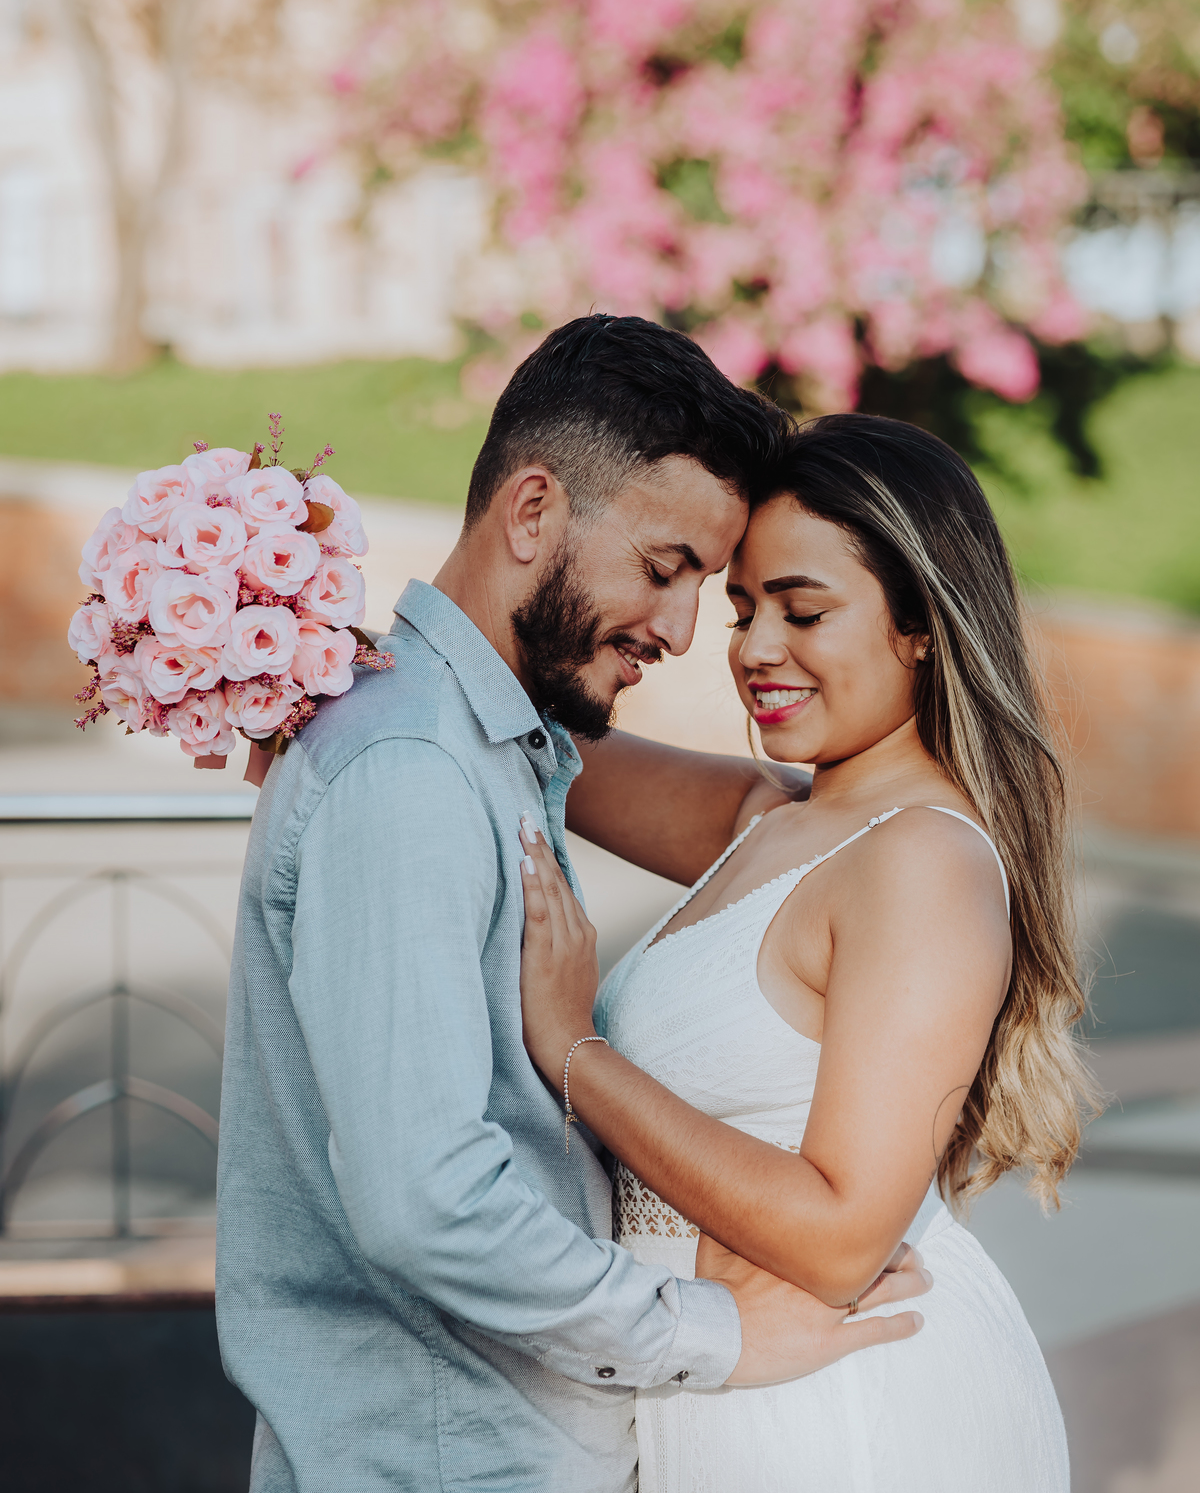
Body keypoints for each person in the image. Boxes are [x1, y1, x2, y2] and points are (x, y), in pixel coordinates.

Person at [215, 319, 931, 1493]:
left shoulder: (486, 741)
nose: (684, 631)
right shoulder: (412, 770)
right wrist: (717, 1332)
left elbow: (782, 811)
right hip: (443, 1457)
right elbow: (428, 1204)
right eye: (664, 570)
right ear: (534, 512)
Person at [519, 411, 1098, 1492]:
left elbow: (841, 1235)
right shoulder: (767, 815)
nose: (753, 649)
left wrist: (573, 1050)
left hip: (844, 1410)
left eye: (803, 609)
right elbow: (520, 737)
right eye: (745, 609)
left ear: (922, 623)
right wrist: (301, 648)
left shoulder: (924, 863)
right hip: (717, 1372)